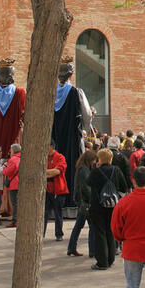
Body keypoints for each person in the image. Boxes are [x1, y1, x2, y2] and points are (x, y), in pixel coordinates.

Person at [53, 59, 92, 199]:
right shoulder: (76, 92)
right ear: (70, 75)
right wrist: (86, 128)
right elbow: (87, 114)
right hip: (72, 136)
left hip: (54, 137)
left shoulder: (51, 92)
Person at [87, 149, 128, 270]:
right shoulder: (116, 170)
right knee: (110, 231)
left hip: (97, 205)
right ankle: (110, 259)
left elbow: (88, 183)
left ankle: (102, 261)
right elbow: (124, 187)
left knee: (100, 232)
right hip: (113, 205)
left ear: (100, 159)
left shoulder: (95, 172)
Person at [68, 150, 97, 258]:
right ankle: (92, 250)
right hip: (85, 201)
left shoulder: (81, 169)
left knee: (78, 225)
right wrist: (92, 199)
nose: (94, 162)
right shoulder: (84, 170)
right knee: (92, 226)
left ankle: (71, 247)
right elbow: (86, 187)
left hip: (81, 201)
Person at [44, 142, 68, 241]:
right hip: (46, 190)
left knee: (58, 213)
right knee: (44, 213)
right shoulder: (44, 157)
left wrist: (44, 172)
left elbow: (57, 171)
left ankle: (59, 234)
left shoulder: (60, 157)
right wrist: (50, 172)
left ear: (52, 147)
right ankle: (41, 234)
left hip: (58, 190)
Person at [3, 144, 21, 228]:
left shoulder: (13, 159)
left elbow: (8, 172)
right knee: (19, 203)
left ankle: (15, 220)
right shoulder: (22, 158)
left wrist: (5, 168)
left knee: (15, 203)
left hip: (14, 184)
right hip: (20, 183)